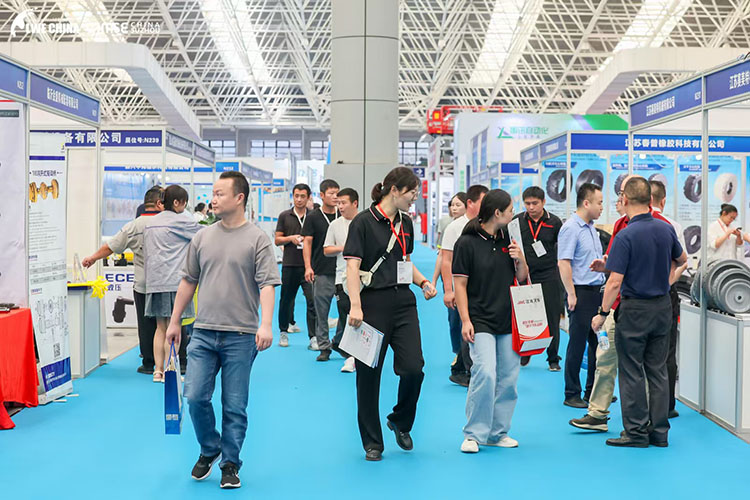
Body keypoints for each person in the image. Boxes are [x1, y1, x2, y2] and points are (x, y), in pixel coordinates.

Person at [165, 170, 280, 489]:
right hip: (203, 332)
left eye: (219, 194)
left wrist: (266, 324)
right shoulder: (202, 237)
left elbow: (267, 284)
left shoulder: (257, 238)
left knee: (234, 405)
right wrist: (175, 321)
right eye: (213, 194)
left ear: (239, 198)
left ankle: (230, 463)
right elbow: (188, 280)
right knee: (194, 397)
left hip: (241, 336)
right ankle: (210, 447)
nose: (212, 199)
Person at [344, 167, 437, 462]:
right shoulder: (363, 222)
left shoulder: (406, 222)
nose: (414, 198)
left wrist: (423, 282)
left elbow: (404, 261)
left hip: (404, 303)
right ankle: (372, 442)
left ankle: (400, 420)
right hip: (371, 305)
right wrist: (355, 305)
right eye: (411, 193)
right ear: (394, 190)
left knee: (414, 368)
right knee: (368, 377)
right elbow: (352, 267)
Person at [591, 177, 686, 447]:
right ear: (650, 200)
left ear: (625, 199)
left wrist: (602, 312)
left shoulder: (626, 234)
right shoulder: (665, 229)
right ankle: (659, 432)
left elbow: (615, 282)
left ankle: (635, 432)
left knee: (632, 370)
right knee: (658, 370)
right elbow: (682, 259)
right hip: (662, 307)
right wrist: (665, 279)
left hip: (635, 310)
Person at [453, 189, 528, 453]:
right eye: (510, 210)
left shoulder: (510, 239)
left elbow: (522, 277)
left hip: (508, 318)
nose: (513, 214)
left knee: (508, 377)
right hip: (479, 318)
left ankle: (498, 432)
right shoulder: (467, 243)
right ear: (497, 213)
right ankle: (474, 434)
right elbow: (460, 285)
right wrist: (465, 320)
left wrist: (520, 259)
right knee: (485, 372)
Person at [82, 185, 164, 375]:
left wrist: (93, 258)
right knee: (168, 322)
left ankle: (149, 363)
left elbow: (111, 246)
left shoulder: (133, 226)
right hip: (167, 283)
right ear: (160, 202)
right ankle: (176, 360)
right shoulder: (168, 223)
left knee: (146, 324)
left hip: (143, 283)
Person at [143, 185, 203, 382]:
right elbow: (205, 235)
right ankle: (170, 370)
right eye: (184, 203)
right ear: (177, 202)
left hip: (154, 281)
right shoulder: (181, 221)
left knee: (160, 328)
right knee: (174, 326)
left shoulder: (150, 223)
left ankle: (158, 371)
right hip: (174, 282)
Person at [558, 183, 605, 408]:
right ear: (586, 203)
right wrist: (571, 294)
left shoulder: (592, 228)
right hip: (580, 293)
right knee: (577, 344)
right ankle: (571, 393)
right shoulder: (571, 228)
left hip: (596, 292)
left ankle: (592, 391)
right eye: (599, 203)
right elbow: (563, 262)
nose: (602, 207)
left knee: (598, 345)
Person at [440, 185, 489, 387]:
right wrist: (448, 290)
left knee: (472, 328)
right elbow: (446, 260)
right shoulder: (455, 227)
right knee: (460, 326)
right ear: (471, 203)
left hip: (482, 289)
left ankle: (462, 368)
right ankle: (466, 370)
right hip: (460, 287)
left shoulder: (487, 225)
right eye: (483, 202)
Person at [512, 186, 563, 371]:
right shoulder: (517, 221)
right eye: (527, 204)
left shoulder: (555, 222)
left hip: (549, 274)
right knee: (524, 316)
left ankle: (553, 358)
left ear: (543, 202)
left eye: (535, 203)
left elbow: (562, 249)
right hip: (525, 274)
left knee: (552, 318)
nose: (531, 207)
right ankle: (525, 351)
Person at [650, 180, 689, 419]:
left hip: (642, 295)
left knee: (646, 352)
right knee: (668, 349)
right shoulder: (673, 225)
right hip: (667, 292)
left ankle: (651, 406)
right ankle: (668, 405)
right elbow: (683, 260)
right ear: (663, 200)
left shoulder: (630, 223)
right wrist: (669, 281)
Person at [275, 184, 316, 348]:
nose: (299, 199)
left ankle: (313, 337)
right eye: (296, 196)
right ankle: (283, 332)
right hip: (290, 265)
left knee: (312, 301)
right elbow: (277, 240)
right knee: (286, 300)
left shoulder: (313, 216)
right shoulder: (285, 216)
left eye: (302, 196)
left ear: (308, 197)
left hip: (309, 267)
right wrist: (290, 238)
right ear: (292, 196)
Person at [302, 179, 340, 360]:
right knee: (321, 312)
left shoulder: (342, 215)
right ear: (322, 195)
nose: (335, 197)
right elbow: (307, 243)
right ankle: (324, 347)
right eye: (331, 193)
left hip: (343, 270)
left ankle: (339, 342)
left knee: (346, 311)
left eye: (337, 193)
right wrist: (308, 267)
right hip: (322, 270)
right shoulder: (313, 217)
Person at [323, 187, 359, 373]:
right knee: (346, 317)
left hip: (363, 280)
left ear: (355, 203)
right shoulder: (335, 225)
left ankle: (356, 354)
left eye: (343, 203)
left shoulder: (365, 222)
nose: (340, 207)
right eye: (338, 203)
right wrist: (343, 248)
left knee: (361, 319)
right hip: (341, 278)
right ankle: (350, 357)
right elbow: (326, 249)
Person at [430, 193, 467, 286]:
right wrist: (434, 281)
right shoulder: (450, 226)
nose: (454, 208)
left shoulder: (471, 226)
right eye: (452, 205)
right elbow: (442, 255)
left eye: (458, 205)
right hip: (450, 273)